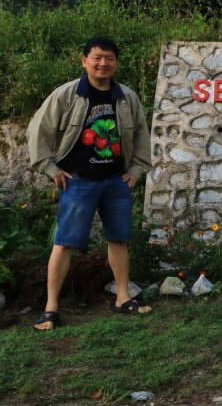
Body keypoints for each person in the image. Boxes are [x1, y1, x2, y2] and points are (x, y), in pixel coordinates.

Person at [26, 36, 153, 330]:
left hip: (115, 181)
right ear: (83, 60)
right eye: (97, 58)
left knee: (119, 239)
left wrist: (136, 169)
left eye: (109, 58)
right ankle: (51, 308)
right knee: (64, 242)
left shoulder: (126, 97)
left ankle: (123, 298)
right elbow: (39, 131)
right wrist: (49, 167)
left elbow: (141, 135)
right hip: (78, 181)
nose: (103, 63)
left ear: (116, 63)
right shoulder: (67, 95)